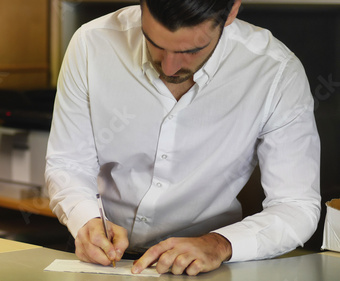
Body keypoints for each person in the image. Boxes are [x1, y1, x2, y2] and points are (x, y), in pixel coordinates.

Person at [45, 0, 321, 276]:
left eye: (191, 50)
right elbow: (68, 164)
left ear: (232, 11)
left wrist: (219, 244)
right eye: (154, 42)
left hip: (208, 265)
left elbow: (295, 205)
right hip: (100, 259)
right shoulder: (92, 43)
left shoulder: (275, 72)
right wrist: (84, 217)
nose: (170, 66)